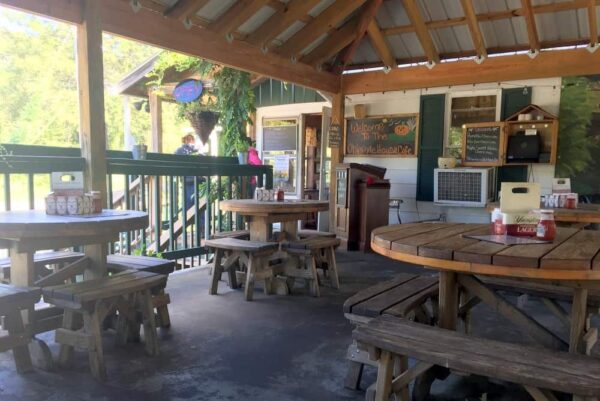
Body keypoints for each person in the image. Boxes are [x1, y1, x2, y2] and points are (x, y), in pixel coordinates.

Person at [175, 134, 198, 211]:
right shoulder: (196, 151)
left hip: (186, 181)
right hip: (197, 181)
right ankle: (202, 222)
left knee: (187, 206)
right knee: (199, 205)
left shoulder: (178, 151)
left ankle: (186, 221)